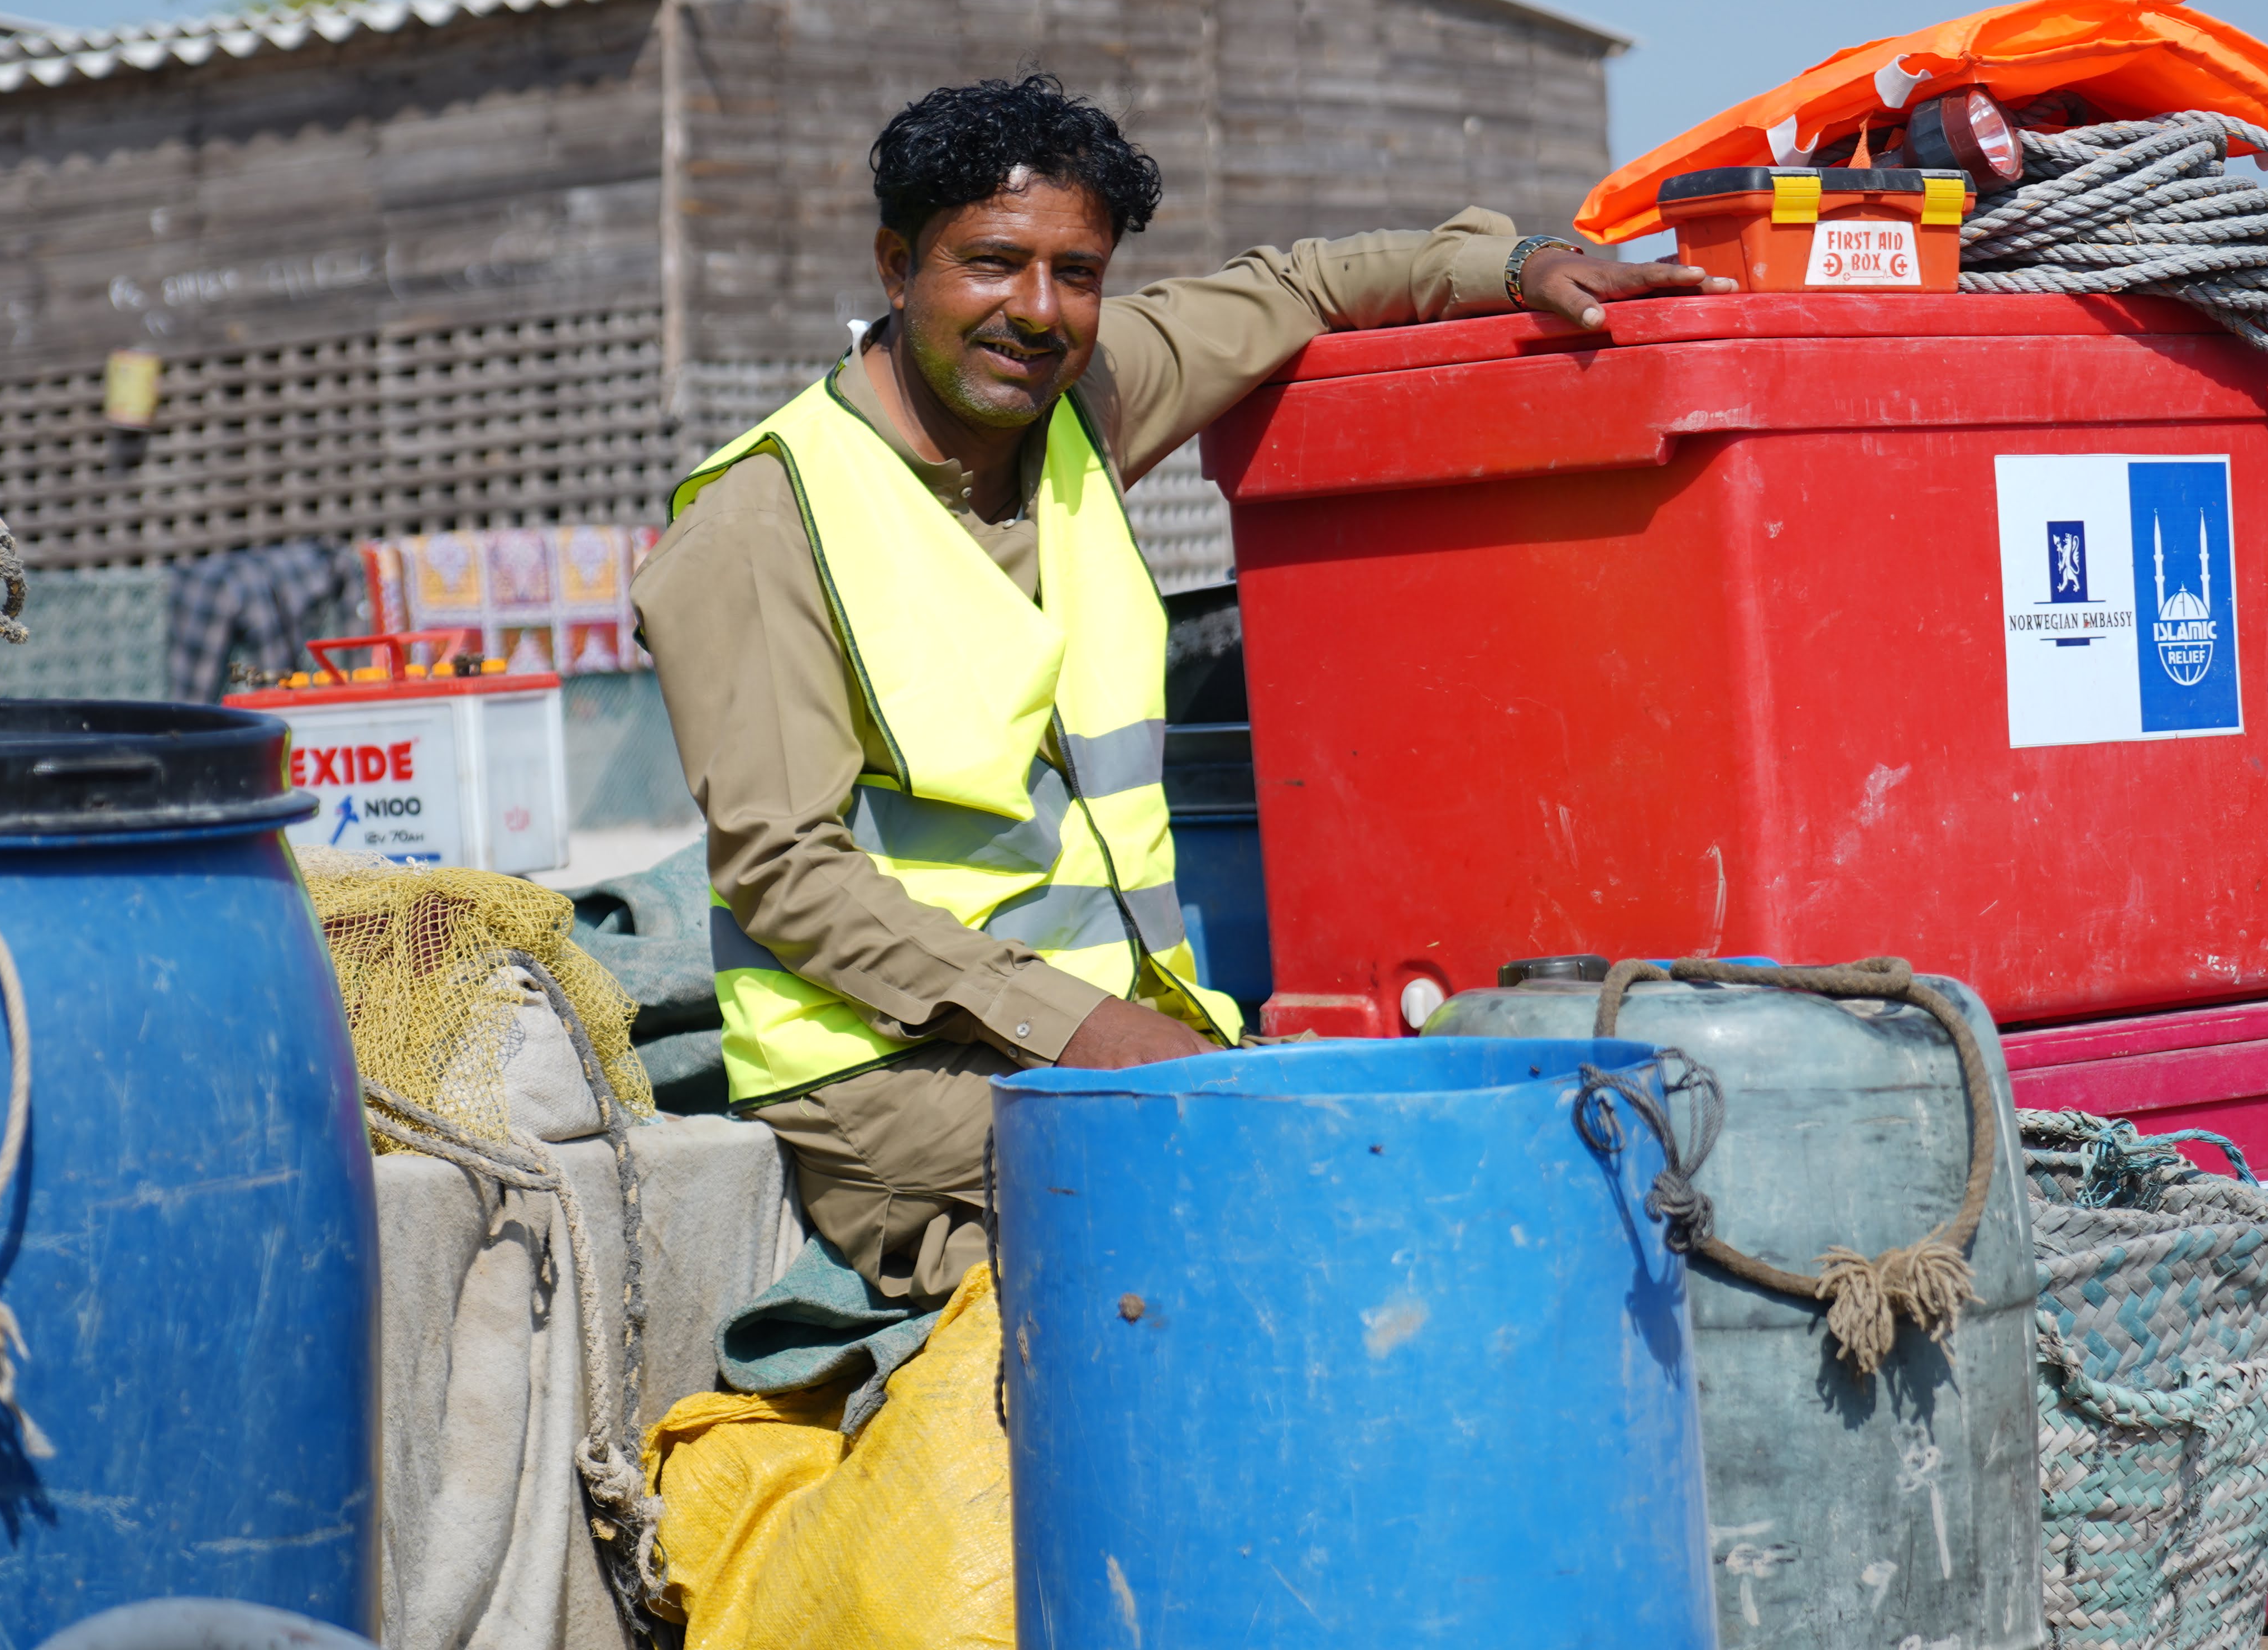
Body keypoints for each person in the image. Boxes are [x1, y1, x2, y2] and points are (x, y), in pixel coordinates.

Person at [632, 73, 1721, 1302]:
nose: (1036, 311)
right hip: (885, 1070)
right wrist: (1091, 1034)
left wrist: (1517, 266)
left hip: (1102, 1033)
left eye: (1077, 274)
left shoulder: (1085, 398)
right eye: (990, 264)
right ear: (897, 268)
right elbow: (784, 869)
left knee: (1447, 1165)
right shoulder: (763, 519)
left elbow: (1299, 286)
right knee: (1283, 1240)